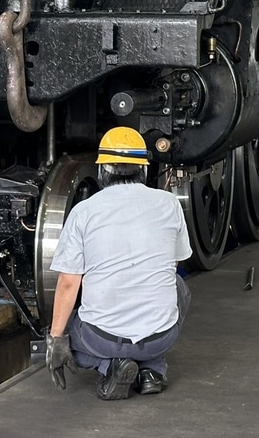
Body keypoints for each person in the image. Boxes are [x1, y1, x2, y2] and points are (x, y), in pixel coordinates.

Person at [46, 127, 191, 400]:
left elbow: (68, 283)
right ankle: (152, 371)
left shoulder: (84, 212)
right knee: (179, 287)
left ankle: (110, 365)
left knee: (68, 337)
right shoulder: (169, 203)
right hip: (160, 337)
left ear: (103, 172)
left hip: (102, 339)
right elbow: (177, 262)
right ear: (143, 171)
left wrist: (55, 340)